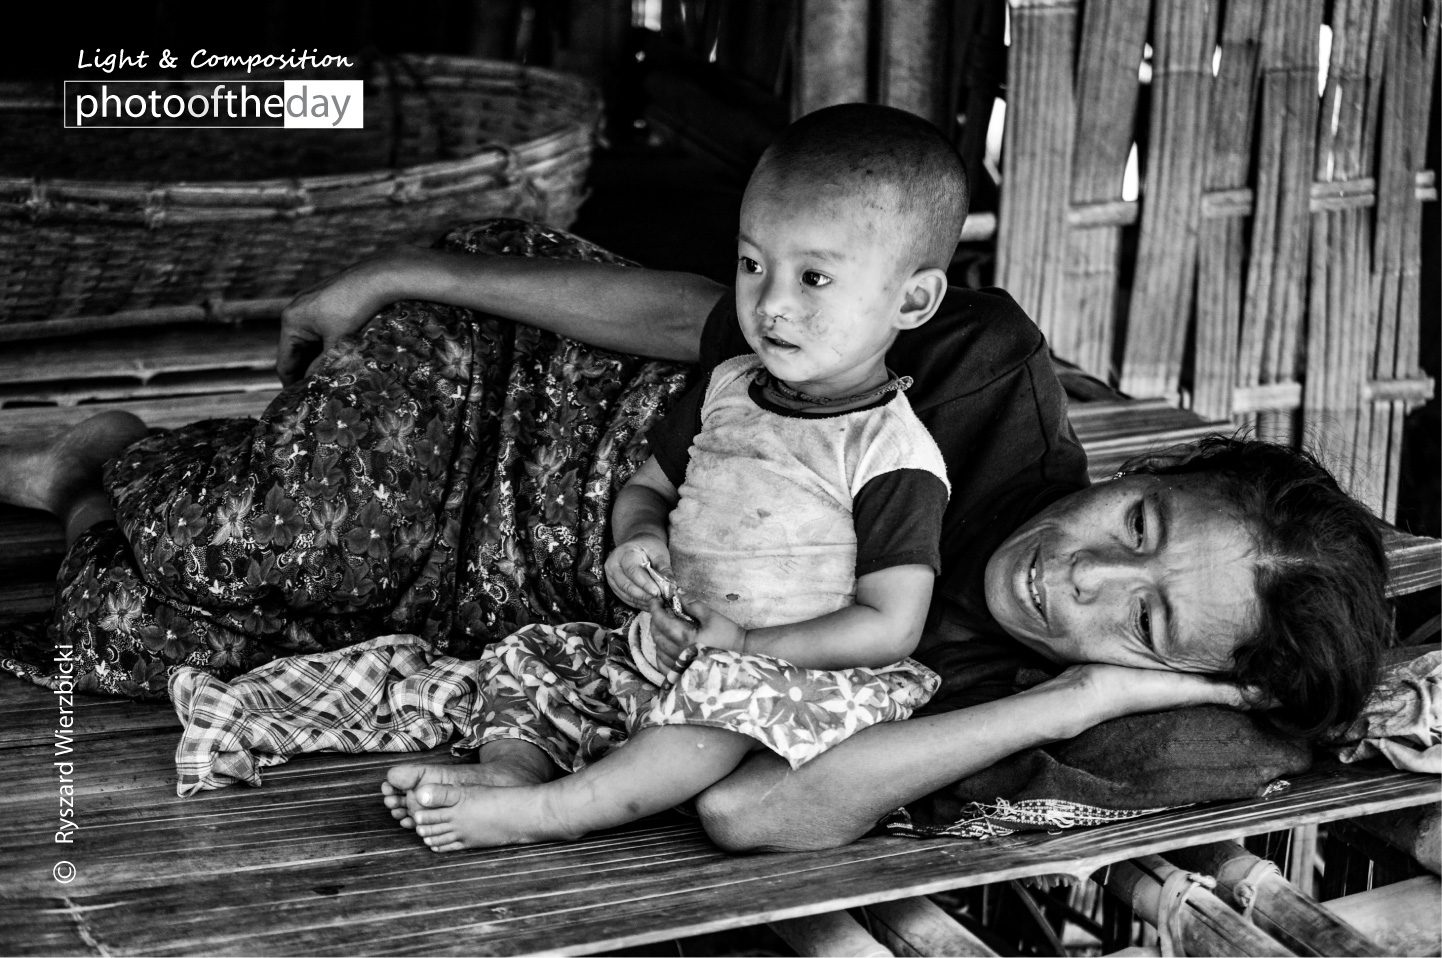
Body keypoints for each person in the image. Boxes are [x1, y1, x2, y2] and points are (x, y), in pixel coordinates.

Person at [0, 105, 1391, 854]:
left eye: (1139, 620)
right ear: (1169, 470)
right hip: (551, 415)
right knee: (266, 534)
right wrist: (421, 269)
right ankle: (125, 458)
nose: (1073, 574)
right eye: (1136, 523)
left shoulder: (997, 699)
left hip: (543, 593)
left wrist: (1092, 688)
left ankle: (104, 475)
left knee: (124, 640)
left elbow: (752, 810)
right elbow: (716, 321)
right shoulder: (978, 378)